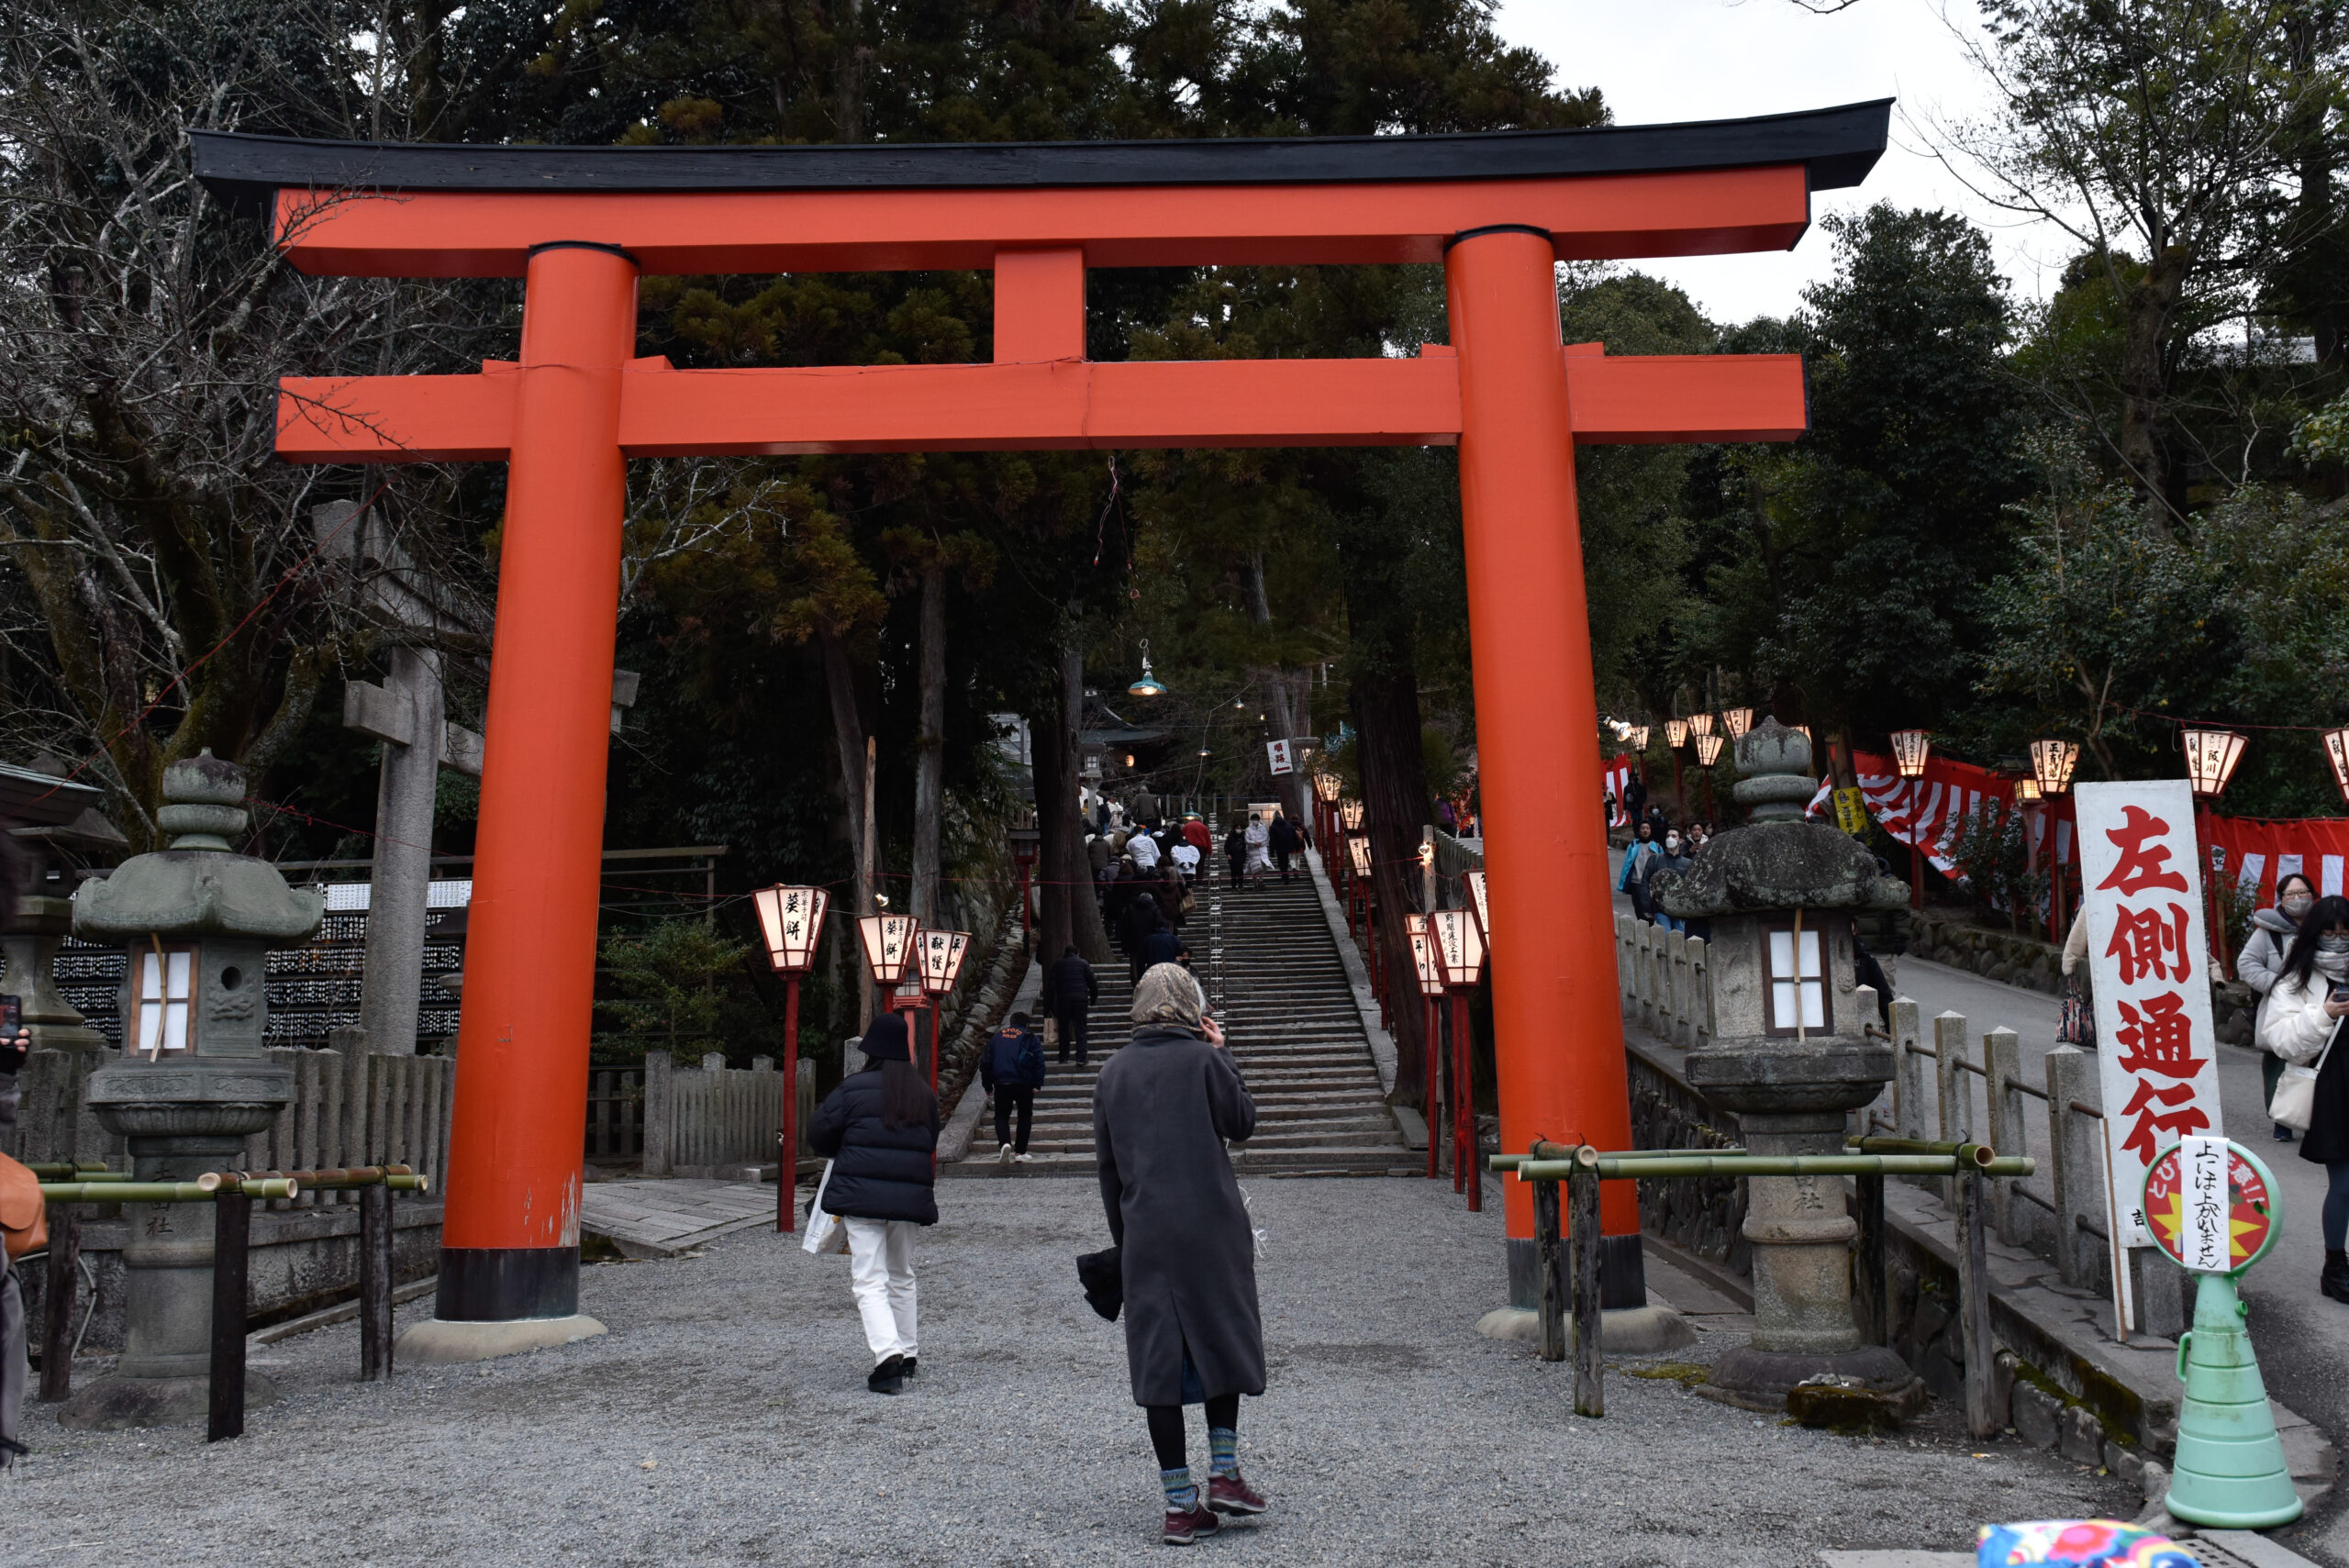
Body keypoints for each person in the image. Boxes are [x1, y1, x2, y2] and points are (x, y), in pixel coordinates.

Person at [1094, 964, 1269, 1543]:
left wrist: (1127, 1241)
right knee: (1219, 1334)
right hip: (1211, 1226)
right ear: (1190, 1008)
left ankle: (1178, 1504)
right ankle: (1225, 1473)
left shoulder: (1113, 1073)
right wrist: (1223, 1053)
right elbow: (1241, 1123)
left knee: (1158, 1365)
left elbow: (1108, 1171)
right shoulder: (1201, 1061)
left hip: (1147, 1231)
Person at [807, 1012, 940, 1395]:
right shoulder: (923, 1094)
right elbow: (929, 1141)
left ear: (871, 1051)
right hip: (909, 1198)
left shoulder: (852, 1089)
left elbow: (820, 1135)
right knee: (901, 1272)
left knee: (869, 1278)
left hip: (862, 1195)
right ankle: (908, 1352)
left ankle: (888, 1360)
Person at [2255, 895, 2349, 1304]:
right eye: (2329, 933)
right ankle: (2335, 1266)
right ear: (2314, 935)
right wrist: (2325, 1014)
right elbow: (2281, 1042)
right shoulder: (2295, 981)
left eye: (2345, 933)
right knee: (2345, 1184)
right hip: (2333, 1088)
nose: (2338, 940)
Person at [2243, 872, 2317, 1142]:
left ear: (2313, 895)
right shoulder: (2267, 932)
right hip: (2279, 1009)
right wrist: (2280, 985)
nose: (2297, 899)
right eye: (2290, 894)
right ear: (2281, 899)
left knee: (2316, 1065)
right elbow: (2247, 965)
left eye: (2303, 893)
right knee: (2278, 1066)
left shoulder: (2324, 928)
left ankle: (2315, 1118)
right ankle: (2281, 1120)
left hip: (2317, 1008)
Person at [981, 1010, 1047, 1165]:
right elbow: (1039, 1062)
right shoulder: (1030, 1037)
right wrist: (1037, 1083)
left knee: (1001, 1116)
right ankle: (1020, 1152)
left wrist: (988, 1085)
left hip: (1002, 1082)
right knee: (1024, 1116)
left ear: (1011, 1022)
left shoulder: (997, 1038)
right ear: (1026, 1024)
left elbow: (985, 1063)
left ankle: (1005, 1143)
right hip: (1024, 1082)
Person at [1047, 943, 1099, 1065]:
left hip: (1063, 1001)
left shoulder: (1058, 964)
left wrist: (1049, 1005)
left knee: (1064, 1029)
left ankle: (1063, 1056)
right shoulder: (1083, 963)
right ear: (1077, 953)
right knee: (1080, 1029)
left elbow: (1051, 986)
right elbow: (1092, 983)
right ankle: (1081, 1057)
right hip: (1080, 1001)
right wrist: (1093, 999)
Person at [1617, 819, 1661, 924]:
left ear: (1651, 830)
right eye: (1643, 828)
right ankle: (1644, 930)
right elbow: (1627, 864)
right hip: (1636, 881)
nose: (1645, 830)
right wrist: (1623, 882)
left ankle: (1647, 929)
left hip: (1651, 883)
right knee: (1639, 909)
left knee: (1649, 910)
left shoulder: (1657, 846)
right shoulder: (1633, 845)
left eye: (1647, 828)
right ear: (1639, 830)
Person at [1122, 893, 1165, 987]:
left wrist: (1124, 944)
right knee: (1152, 963)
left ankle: (1137, 986)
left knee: (1135, 964)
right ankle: (1151, 984)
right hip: (1151, 941)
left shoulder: (1131, 908)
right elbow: (1160, 924)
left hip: (1134, 941)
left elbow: (1124, 927)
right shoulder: (1154, 908)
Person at [1267, 812, 1300, 882]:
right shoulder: (1288, 825)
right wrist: (1297, 846)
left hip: (1279, 847)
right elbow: (1295, 835)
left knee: (1281, 862)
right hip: (1288, 846)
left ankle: (1285, 876)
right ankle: (1285, 875)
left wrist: (1272, 851)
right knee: (1285, 861)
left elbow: (1272, 840)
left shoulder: (1273, 827)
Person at [1243, 812, 1272, 886]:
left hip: (1262, 850)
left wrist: (1260, 843)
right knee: (1254, 867)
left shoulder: (1263, 828)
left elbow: (1267, 838)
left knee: (1264, 865)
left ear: (1259, 820)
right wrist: (1254, 843)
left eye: (1256, 819)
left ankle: (1261, 879)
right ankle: (1255, 882)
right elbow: (1246, 840)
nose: (1254, 821)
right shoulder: (1248, 829)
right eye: (1253, 819)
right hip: (1253, 851)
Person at [1224, 821, 1248, 888]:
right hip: (1232, 857)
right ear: (1234, 829)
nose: (1239, 830)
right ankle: (1233, 885)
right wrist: (1228, 854)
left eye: (1240, 828)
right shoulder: (1230, 837)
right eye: (1237, 828)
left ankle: (1240, 884)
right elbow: (1226, 846)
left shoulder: (1243, 836)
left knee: (1240, 871)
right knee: (1233, 872)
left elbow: (1244, 847)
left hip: (1240, 856)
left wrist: (1244, 857)